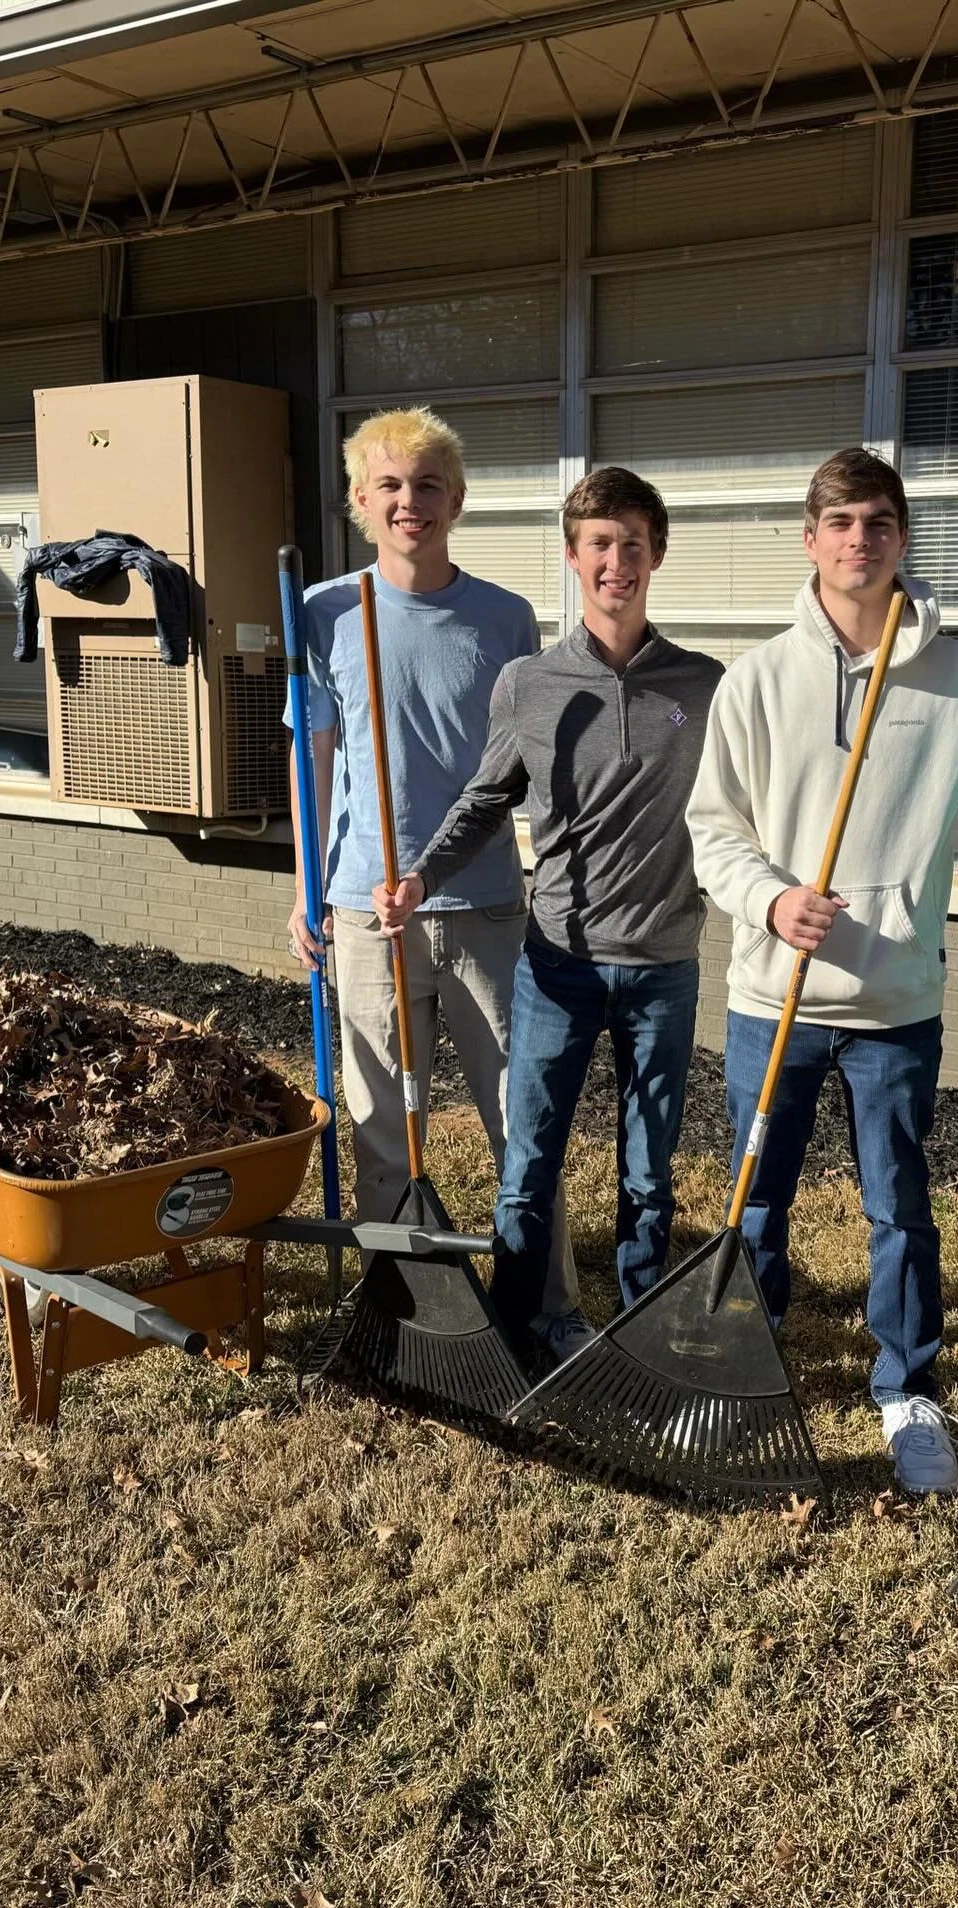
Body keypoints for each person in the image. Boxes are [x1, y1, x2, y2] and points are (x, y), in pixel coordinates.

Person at [685, 447, 958, 1496]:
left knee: (899, 1209)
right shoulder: (759, 677)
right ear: (810, 538)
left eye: (878, 521)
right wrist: (773, 899)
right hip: (769, 998)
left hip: (895, 1006)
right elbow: (712, 826)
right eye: (840, 521)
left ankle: (907, 1391)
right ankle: (751, 1370)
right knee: (756, 1204)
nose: (859, 539)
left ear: (901, 536)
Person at [374, 467, 724, 1349]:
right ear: (573, 557)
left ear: (657, 557)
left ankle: (642, 1333)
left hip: (664, 966)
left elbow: (753, 798)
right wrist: (418, 875)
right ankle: (526, 1331)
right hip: (557, 966)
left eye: (633, 545)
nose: (617, 562)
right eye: (599, 544)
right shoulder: (528, 683)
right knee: (529, 1165)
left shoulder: (703, 686)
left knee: (650, 1173)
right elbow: (485, 799)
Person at [284, 405, 580, 1352]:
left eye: (427, 484)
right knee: (378, 1124)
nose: (409, 501)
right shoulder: (328, 611)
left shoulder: (504, 618)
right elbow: (315, 762)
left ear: (456, 499)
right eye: (390, 485)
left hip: (488, 903)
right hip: (366, 908)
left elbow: (523, 766)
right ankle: (399, 1306)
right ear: (361, 500)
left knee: (520, 1119)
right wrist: (306, 886)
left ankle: (550, 1305)